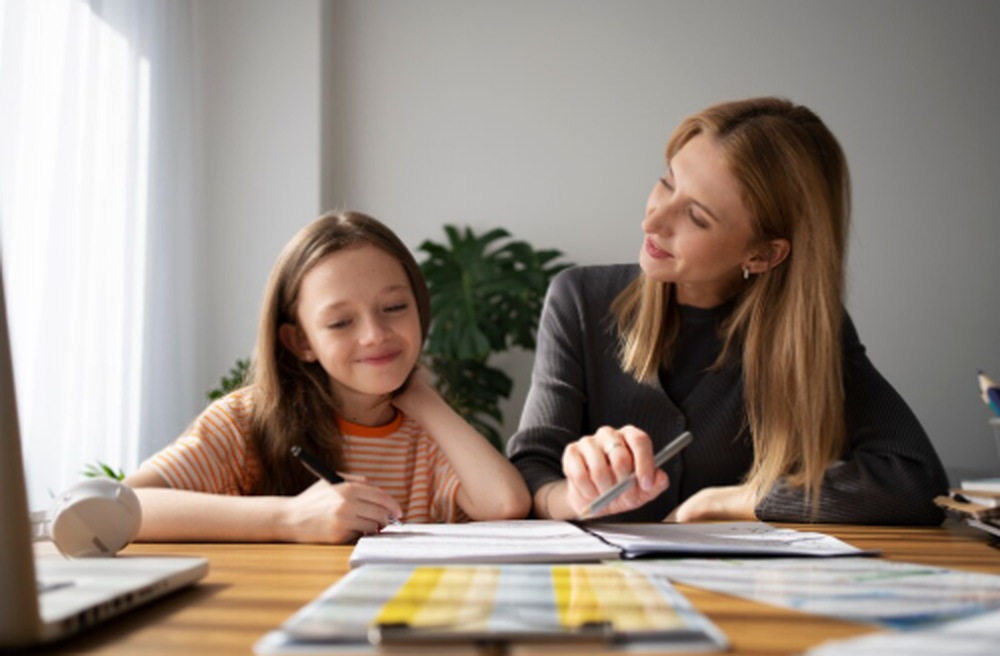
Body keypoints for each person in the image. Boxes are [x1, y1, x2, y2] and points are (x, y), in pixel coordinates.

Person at [507, 96, 949, 525]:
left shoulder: (806, 334)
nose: (652, 222)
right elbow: (531, 472)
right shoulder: (580, 300)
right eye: (667, 182)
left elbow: (916, 482)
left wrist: (731, 501)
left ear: (762, 254)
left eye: (697, 217)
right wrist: (576, 497)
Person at [125, 211, 531, 544]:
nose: (375, 335)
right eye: (340, 322)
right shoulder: (243, 422)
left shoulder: (430, 434)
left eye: (394, 307)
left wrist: (424, 399)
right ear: (300, 340)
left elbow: (505, 504)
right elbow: (122, 505)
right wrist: (287, 518)